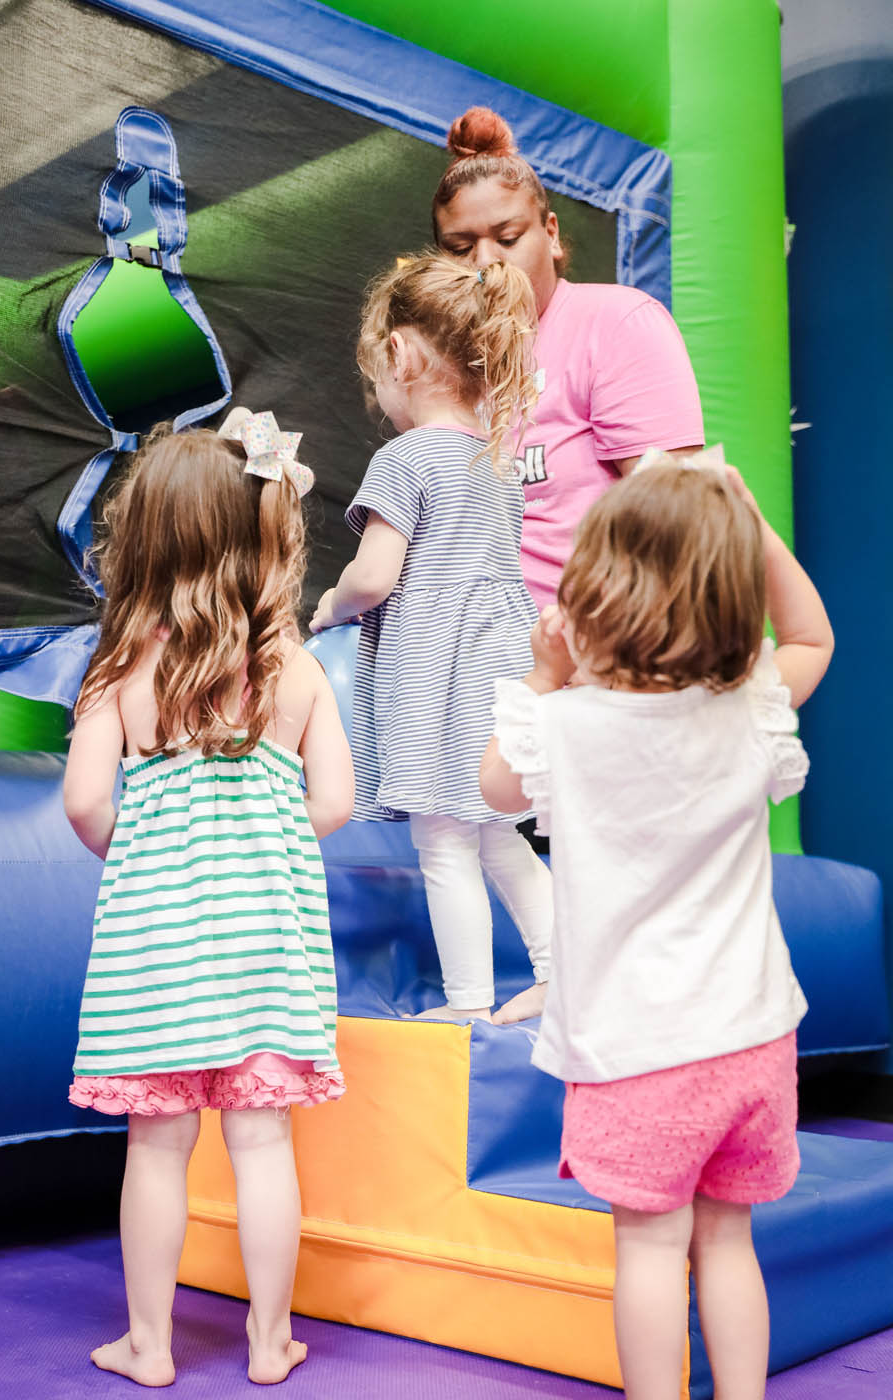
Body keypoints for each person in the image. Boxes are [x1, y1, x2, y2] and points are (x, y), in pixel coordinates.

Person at [480, 451, 834, 1400]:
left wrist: (545, 673)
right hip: (753, 1041)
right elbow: (812, 634)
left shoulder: (566, 727)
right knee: (728, 1239)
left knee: (648, 1249)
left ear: (592, 594)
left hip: (639, 1054)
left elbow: (491, 785)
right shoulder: (750, 710)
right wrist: (749, 522)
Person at [63, 414, 354, 1389]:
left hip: (157, 951)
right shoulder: (294, 670)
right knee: (263, 1139)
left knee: (157, 1147)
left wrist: (138, 847)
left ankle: (150, 1343)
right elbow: (336, 802)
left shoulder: (120, 672)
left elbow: (85, 801)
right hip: (265, 948)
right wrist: (261, 838)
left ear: (142, 542)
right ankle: (270, 1340)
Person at [309, 253, 553, 1025]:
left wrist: (329, 604)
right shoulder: (497, 459)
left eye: (377, 374)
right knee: (497, 833)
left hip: (438, 671)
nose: (379, 396)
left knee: (444, 841)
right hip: (501, 663)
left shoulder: (404, 457)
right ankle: (560, 973)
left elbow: (376, 576)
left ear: (404, 356)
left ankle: (468, 1005)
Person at [431, 107, 705, 613]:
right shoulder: (443, 369)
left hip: (597, 655)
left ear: (552, 235)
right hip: (481, 665)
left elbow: (685, 523)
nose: (487, 262)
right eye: (460, 247)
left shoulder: (617, 323)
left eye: (507, 239)